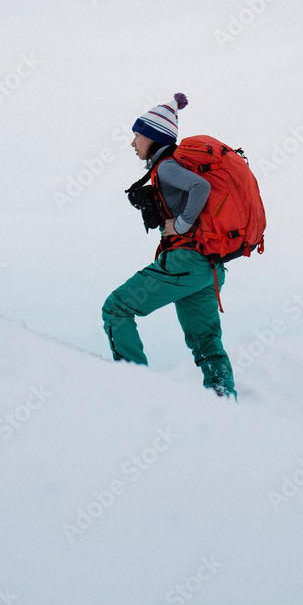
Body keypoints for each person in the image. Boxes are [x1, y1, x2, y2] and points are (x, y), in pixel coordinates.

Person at [102, 93, 237, 399]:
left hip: (184, 263)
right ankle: (224, 401)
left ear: (152, 137)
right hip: (208, 267)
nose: (133, 143)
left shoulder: (166, 167)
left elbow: (199, 187)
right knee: (206, 341)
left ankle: (133, 385)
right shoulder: (169, 166)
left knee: (116, 308)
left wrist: (179, 225)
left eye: (137, 135)